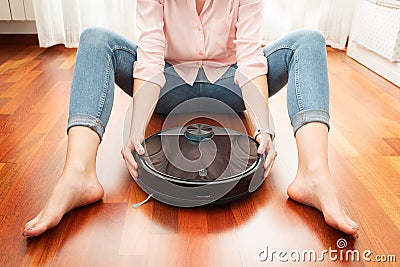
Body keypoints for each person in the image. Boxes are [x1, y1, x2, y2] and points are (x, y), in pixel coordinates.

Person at [23, 0, 359, 238]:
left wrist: (264, 128)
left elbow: (252, 61)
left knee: (310, 41)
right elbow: (151, 56)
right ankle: (78, 174)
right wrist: (136, 128)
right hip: (169, 86)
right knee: (96, 38)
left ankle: (314, 175)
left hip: (231, 85)